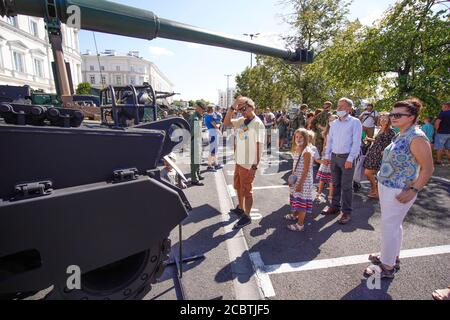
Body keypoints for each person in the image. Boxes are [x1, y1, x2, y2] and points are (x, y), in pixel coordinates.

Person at [364, 98, 434, 279]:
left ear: (411, 117)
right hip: (388, 187)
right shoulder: (401, 133)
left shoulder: (417, 137)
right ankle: (391, 256)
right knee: (394, 226)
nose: (392, 117)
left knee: (389, 226)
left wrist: (414, 190)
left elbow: (428, 169)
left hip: (400, 190)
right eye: (392, 113)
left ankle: (387, 266)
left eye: (397, 115)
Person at [223, 97, 266, 230]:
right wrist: (232, 108)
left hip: (248, 164)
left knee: (247, 190)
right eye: (239, 109)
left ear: (251, 107)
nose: (241, 111)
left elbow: (260, 147)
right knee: (238, 186)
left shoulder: (258, 124)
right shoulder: (242, 121)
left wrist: (254, 166)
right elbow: (226, 123)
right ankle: (241, 208)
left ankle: (247, 216)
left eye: (243, 108)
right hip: (239, 161)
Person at [321, 98, 362, 225]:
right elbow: (330, 141)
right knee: (335, 183)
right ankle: (335, 206)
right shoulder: (335, 124)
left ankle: (346, 212)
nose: (338, 109)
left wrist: (350, 159)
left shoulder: (355, 122)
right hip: (334, 157)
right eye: (338, 106)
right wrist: (327, 156)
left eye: (342, 107)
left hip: (346, 158)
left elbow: (356, 142)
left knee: (346, 186)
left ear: (349, 109)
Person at [284, 128, 314, 232]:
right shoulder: (297, 148)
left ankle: (300, 224)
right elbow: (295, 166)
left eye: (300, 137)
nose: (298, 139)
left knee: (302, 202)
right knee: (295, 198)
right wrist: (291, 179)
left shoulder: (307, 151)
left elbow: (306, 170)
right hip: (296, 179)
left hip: (304, 181)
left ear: (305, 138)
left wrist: (300, 184)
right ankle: (295, 215)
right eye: (296, 137)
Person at [363, 113, 396, 199]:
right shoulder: (380, 129)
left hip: (381, 155)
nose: (383, 120)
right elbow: (379, 140)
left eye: (385, 119)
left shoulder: (390, 131)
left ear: (389, 120)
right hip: (373, 153)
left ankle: (376, 191)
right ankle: (375, 189)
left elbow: (393, 144)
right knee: (369, 173)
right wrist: (370, 139)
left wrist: (384, 152)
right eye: (381, 119)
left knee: (373, 173)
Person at [316, 115, 338, 202]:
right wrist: (323, 152)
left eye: (333, 119)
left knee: (332, 178)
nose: (331, 121)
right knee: (323, 177)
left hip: (335, 155)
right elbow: (325, 143)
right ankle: (318, 194)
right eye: (330, 119)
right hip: (328, 155)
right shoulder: (328, 131)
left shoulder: (339, 131)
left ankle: (330, 196)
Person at [189, 101, 206, 186]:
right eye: (202, 109)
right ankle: (194, 179)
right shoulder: (195, 117)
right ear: (199, 108)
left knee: (198, 159)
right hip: (195, 140)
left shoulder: (199, 116)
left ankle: (198, 174)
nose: (203, 111)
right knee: (195, 161)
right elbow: (195, 132)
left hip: (198, 140)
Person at [204, 105, 223, 172]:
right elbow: (216, 126)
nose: (214, 110)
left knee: (215, 150)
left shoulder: (208, 116)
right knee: (213, 150)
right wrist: (219, 123)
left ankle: (216, 164)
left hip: (212, 133)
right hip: (213, 133)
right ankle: (209, 166)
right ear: (211, 110)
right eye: (213, 109)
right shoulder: (209, 117)